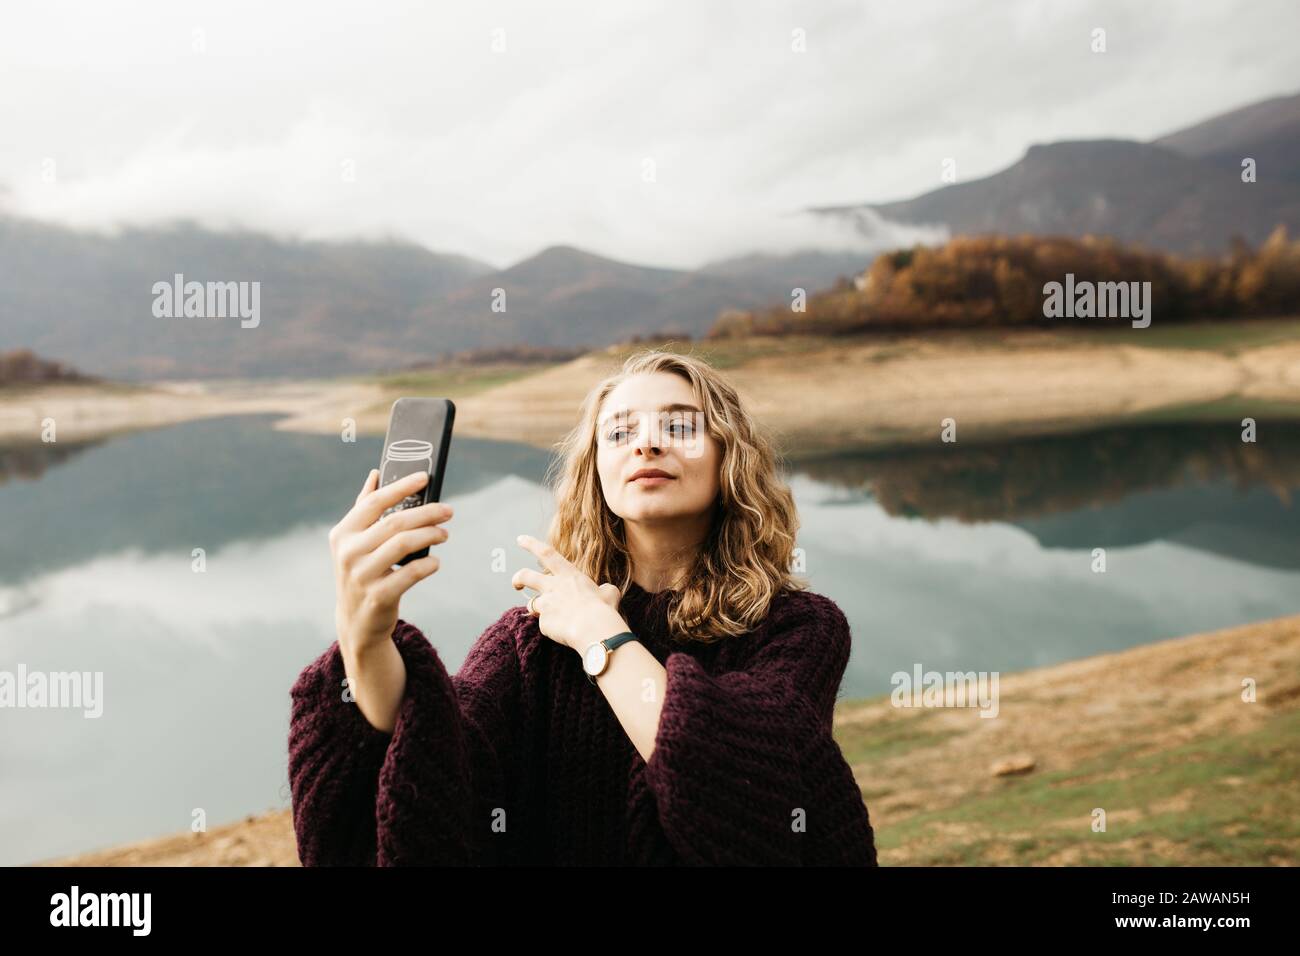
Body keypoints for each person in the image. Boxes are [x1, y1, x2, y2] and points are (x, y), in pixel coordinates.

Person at [287, 349, 878, 865]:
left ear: (730, 459)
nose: (646, 442)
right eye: (619, 433)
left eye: (679, 426)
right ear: (597, 470)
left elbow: (752, 794)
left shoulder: (797, 627)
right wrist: (366, 641)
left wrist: (601, 635)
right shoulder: (535, 634)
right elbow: (446, 757)